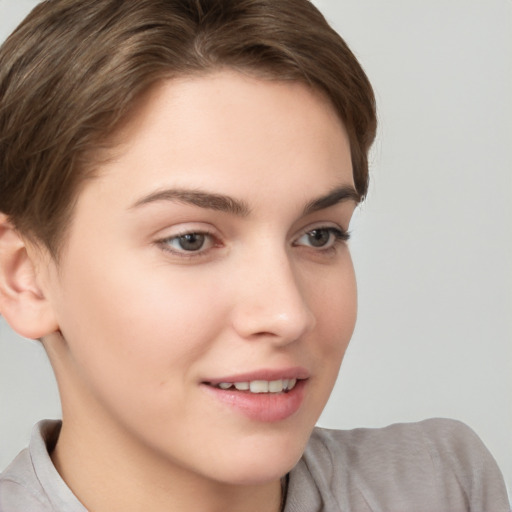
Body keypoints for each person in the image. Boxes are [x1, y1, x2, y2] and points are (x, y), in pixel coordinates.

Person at [0, 1, 509, 511]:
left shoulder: (443, 488)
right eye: (191, 240)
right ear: (24, 278)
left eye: (319, 235)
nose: (289, 315)